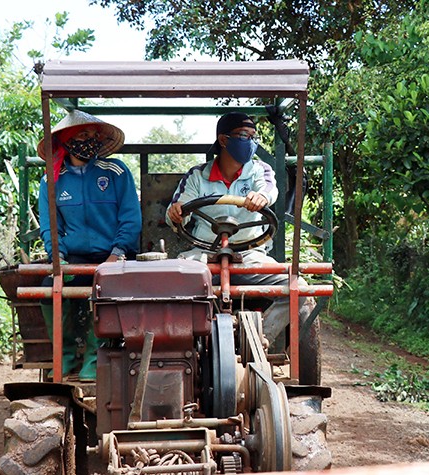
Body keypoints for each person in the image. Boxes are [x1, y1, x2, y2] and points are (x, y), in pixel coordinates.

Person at [165, 112, 310, 345]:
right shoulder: (197, 176)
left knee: (299, 288)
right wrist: (176, 212)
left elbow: (268, 191)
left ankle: (258, 338)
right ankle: (184, 345)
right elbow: (178, 210)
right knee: (164, 285)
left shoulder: (259, 171)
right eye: (244, 136)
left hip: (249, 255)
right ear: (224, 140)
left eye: (254, 136)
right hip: (204, 256)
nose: (251, 142)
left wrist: (261, 197)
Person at [37, 110, 141, 381]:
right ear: (68, 140)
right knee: (50, 289)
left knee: (108, 291)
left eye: (94, 136)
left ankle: (95, 360)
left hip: (114, 255)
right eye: (83, 135)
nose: (90, 140)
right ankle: (65, 357)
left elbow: (130, 218)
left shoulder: (116, 171)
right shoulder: (52, 180)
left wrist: (117, 254)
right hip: (73, 257)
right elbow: (51, 227)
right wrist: (57, 259)